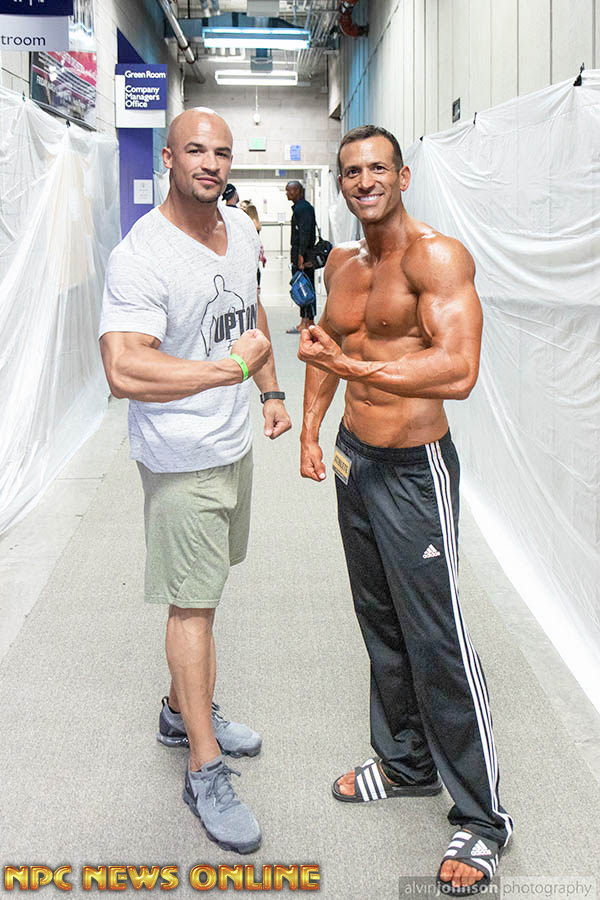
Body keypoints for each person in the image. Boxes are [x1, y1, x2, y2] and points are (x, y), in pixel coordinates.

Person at [298, 125, 513, 893]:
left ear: (403, 175)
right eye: (352, 170)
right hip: (355, 462)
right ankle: (405, 764)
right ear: (342, 181)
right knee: (380, 620)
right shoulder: (342, 263)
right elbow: (327, 344)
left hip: (416, 469)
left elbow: (459, 370)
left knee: (437, 637)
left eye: (378, 168)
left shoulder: (437, 257)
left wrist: (353, 367)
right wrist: (313, 428)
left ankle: (482, 819)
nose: (365, 181)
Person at [99, 108, 291, 855]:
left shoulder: (238, 228)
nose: (210, 163)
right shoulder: (141, 255)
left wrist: (269, 389)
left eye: (222, 153)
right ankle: (202, 766)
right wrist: (230, 371)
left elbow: (249, 315)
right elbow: (124, 367)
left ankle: (182, 711)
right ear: (169, 158)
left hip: (231, 443)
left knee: (206, 591)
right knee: (194, 607)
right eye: (195, 151)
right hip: (181, 457)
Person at [285, 180, 316, 334]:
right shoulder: (300, 208)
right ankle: (305, 320)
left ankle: (308, 322)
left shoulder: (304, 209)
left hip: (303, 256)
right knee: (302, 287)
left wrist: (301, 256)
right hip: (300, 254)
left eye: (290, 190)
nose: (287, 193)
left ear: (298, 191)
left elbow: (305, 233)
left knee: (305, 287)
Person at [242, 202, 267, 296]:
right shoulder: (257, 222)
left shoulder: (250, 223)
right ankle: (258, 285)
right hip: (256, 246)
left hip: (250, 246)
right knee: (257, 266)